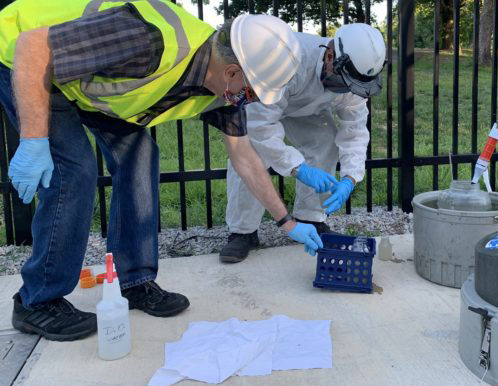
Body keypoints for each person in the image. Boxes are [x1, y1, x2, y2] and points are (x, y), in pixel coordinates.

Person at [1, 0, 322, 342]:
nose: (248, 103)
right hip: (26, 59)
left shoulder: (222, 90)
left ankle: (135, 281)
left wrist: (287, 223)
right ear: (231, 72)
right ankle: (38, 301)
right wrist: (34, 141)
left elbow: (244, 156)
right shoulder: (150, 40)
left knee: (140, 153)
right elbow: (33, 47)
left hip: (84, 80)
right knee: (75, 170)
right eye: (251, 94)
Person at [220, 23, 386, 263]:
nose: (349, 90)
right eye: (345, 82)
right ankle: (242, 231)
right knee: (252, 152)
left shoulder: (356, 80)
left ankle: (311, 218)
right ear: (330, 56)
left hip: (307, 108)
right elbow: (260, 126)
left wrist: (350, 178)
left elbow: (355, 132)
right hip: (266, 100)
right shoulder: (289, 60)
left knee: (325, 142)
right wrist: (298, 168)